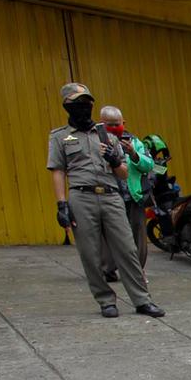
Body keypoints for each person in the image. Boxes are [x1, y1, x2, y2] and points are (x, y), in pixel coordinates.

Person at [48, 83, 164, 319]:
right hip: (81, 197)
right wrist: (62, 204)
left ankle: (142, 300)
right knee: (90, 253)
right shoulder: (60, 137)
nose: (86, 107)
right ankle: (105, 300)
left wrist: (114, 160)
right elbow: (58, 171)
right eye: (79, 104)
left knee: (127, 249)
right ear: (67, 106)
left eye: (88, 103)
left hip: (111, 196)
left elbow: (122, 172)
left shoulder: (107, 135)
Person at [97, 106, 153, 281]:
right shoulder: (96, 143)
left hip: (133, 195)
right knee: (108, 235)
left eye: (117, 124)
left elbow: (149, 165)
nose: (114, 128)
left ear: (124, 123)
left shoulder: (135, 142)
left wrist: (133, 154)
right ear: (101, 124)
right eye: (109, 125)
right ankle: (108, 269)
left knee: (137, 234)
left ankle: (138, 270)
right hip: (108, 196)